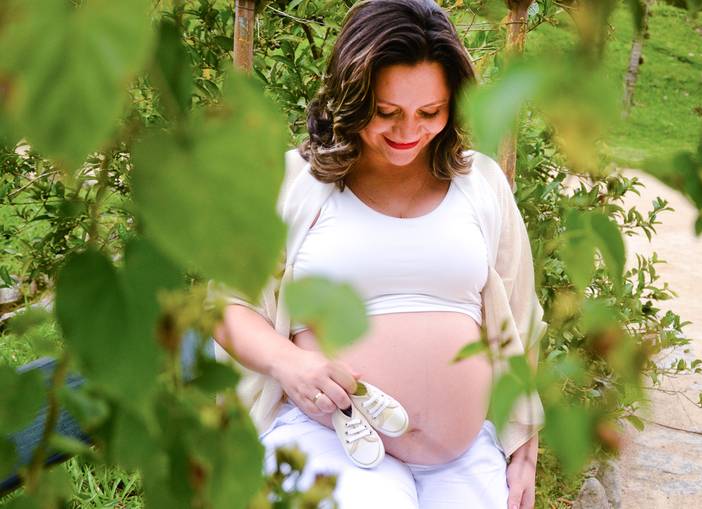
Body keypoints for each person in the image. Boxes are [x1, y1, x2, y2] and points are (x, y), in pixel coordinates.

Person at [211, 0, 548, 507]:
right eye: (386, 113)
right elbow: (228, 306)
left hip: (461, 456)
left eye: (430, 113)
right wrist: (290, 365)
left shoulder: (481, 184)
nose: (408, 132)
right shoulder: (293, 182)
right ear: (351, 99)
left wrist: (525, 449)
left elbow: (521, 322)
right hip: (328, 439)